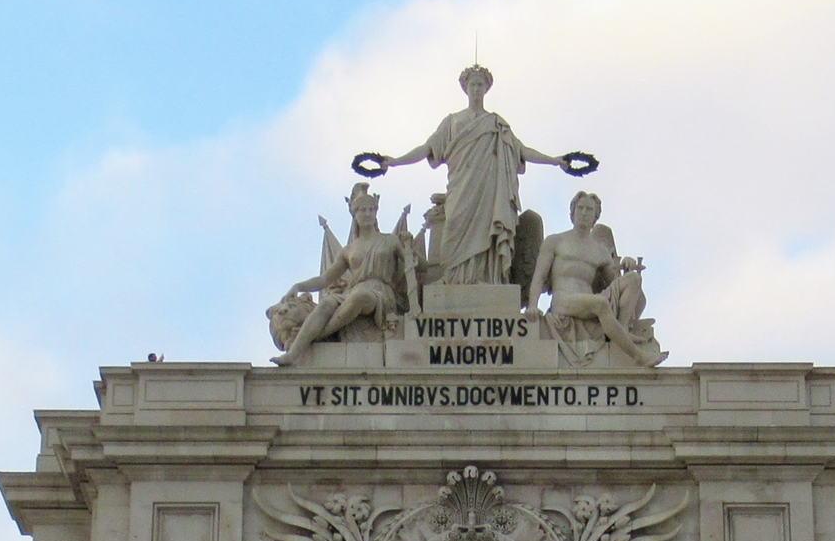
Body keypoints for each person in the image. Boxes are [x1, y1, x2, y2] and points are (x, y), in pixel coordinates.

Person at [360, 65, 575, 286]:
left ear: (486, 88)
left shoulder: (496, 124)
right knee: (453, 230)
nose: (476, 89)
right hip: (460, 188)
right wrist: (394, 162)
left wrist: (555, 160)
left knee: (486, 233)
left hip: (488, 189)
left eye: (480, 84)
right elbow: (426, 149)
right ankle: (455, 281)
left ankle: (485, 279)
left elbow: (521, 150)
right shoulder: (452, 122)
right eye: (472, 84)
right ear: (465, 88)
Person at [270, 183, 418, 365]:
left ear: (375, 213)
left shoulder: (390, 240)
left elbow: (419, 265)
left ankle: (318, 335)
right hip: (353, 291)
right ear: (355, 215)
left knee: (359, 297)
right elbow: (325, 279)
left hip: (379, 294)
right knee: (327, 303)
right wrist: (299, 286)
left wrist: (410, 249)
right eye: (362, 210)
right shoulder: (348, 250)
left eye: (371, 210)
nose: (367, 214)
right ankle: (292, 355)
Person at [529, 192, 664, 365]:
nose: (584, 213)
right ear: (572, 212)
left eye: (589, 209)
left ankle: (621, 328)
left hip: (589, 301)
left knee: (633, 279)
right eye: (580, 208)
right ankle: (638, 356)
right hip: (563, 301)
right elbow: (539, 276)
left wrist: (627, 264)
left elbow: (615, 283)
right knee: (600, 304)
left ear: (595, 216)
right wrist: (532, 306)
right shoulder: (555, 241)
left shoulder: (600, 251)